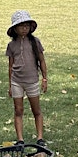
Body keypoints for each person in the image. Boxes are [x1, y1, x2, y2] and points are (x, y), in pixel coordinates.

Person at [6, 10, 49, 146]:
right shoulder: (11, 45)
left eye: (27, 26)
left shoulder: (35, 42)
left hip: (32, 81)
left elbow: (42, 61)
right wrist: (10, 85)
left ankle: (40, 137)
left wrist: (44, 78)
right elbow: (11, 66)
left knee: (36, 110)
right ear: (15, 29)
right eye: (21, 26)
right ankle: (20, 139)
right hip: (16, 81)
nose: (24, 28)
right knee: (18, 110)